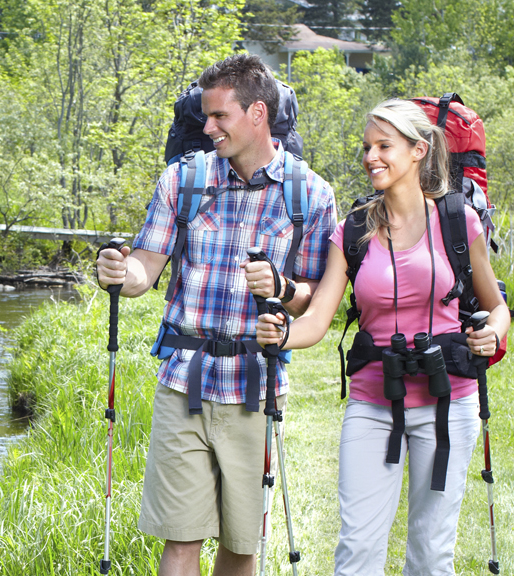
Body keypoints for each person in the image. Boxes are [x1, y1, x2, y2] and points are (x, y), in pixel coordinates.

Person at [96, 54, 336, 576]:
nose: (207, 128)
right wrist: (119, 272)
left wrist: (283, 287)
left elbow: (316, 297)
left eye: (218, 117)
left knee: (241, 544)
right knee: (180, 539)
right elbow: (146, 267)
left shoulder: (310, 195)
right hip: (182, 381)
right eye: (203, 117)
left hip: (255, 385)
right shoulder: (183, 181)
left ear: (257, 114)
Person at [254, 99, 510, 575]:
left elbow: (496, 307)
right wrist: (283, 333)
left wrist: (491, 335)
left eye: (384, 146)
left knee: (432, 553)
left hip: (447, 401)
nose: (371, 157)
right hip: (373, 403)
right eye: (367, 147)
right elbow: (317, 318)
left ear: (418, 151)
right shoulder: (352, 231)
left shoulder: (458, 221)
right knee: (356, 551)